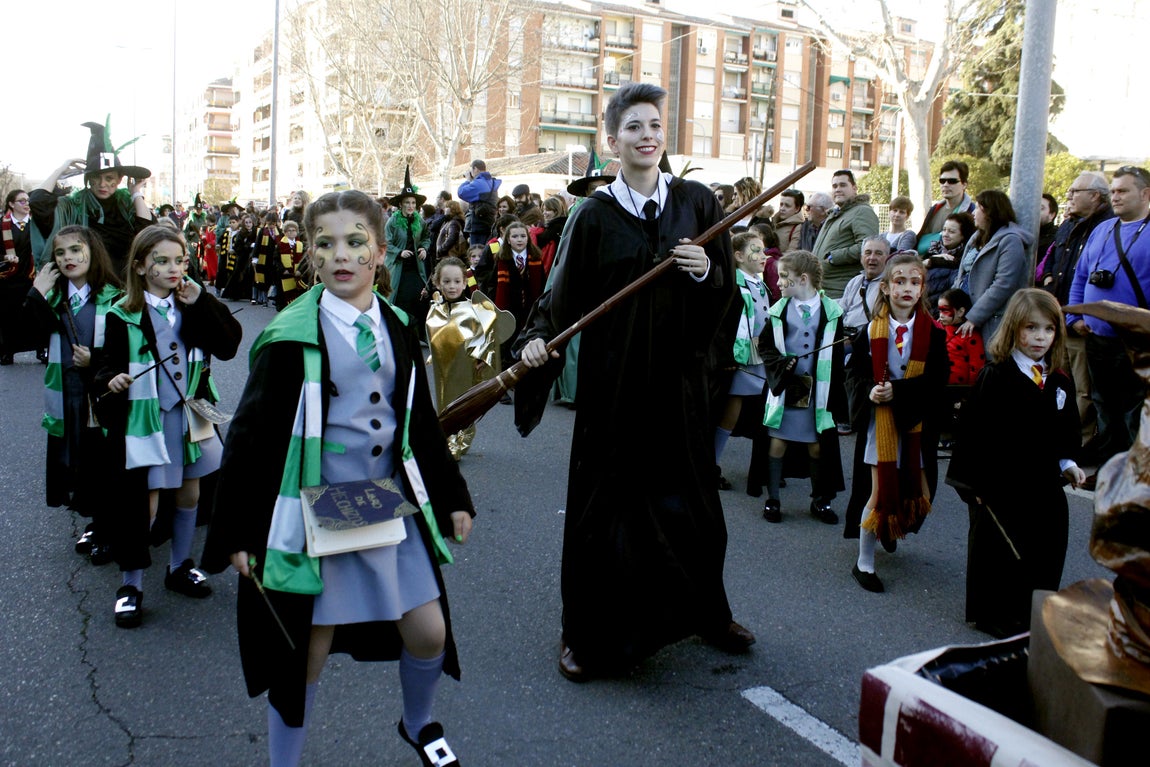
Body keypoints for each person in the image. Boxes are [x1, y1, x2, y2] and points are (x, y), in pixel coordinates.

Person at [202, 190, 474, 767]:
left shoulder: (400, 323)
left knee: (429, 632)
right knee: (306, 653)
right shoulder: (290, 335)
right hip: (313, 511)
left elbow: (419, 423)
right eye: (325, 244)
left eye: (356, 242)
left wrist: (452, 495)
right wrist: (238, 533)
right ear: (311, 257)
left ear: (380, 250)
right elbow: (252, 441)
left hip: (383, 501)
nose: (341, 255)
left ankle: (418, 723)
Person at [515, 82, 753, 681]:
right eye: (633, 127)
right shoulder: (593, 215)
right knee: (605, 512)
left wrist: (706, 274)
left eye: (654, 125)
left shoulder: (697, 204)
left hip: (678, 388)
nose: (647, 135)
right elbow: (560, 297)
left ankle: (706, 611)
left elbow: (725, 296)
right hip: (614, 388)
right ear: (611, 139)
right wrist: (537, 341)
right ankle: (583, 633)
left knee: (693, 507)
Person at [94, 225, 242, 629]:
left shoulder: (192, 302)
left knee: (190, 495)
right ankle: (131, 584)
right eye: (162, 260)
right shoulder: (121, 313)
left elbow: (229, 345)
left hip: (190, 414)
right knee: (144, 504)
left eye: (180, 260)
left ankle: (179, 566)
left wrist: (203, 301)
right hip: (147, 418)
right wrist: (110, 379)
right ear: (141, 266)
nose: (174, 268)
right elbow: (104, 363)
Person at [947, 289, 1085, 637]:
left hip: (1043, 483)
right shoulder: (997, 376)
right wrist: (973, 484)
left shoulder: (1058, 381)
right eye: (1030, 329)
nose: (1040, 338)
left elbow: (1067, 430)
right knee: (1002, 549)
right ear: (1013, 329)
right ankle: (995, 613)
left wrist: (1068, 462)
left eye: (1048, 330)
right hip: (1001, 485)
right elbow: (973, 432)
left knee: (1047, 545)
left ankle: (1033, 612)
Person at [846, 253, 949, 593]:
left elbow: (938, 380)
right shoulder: (870, 332)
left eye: (914, 282)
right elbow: (856, 374)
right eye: (900, 281)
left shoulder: (933, 334)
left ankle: (891, 529)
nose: (907, 288)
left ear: (922, 290)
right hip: (882, 423)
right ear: (886, 288)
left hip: (916, 421)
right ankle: (864, 561)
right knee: (878, 491)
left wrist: (900, 391)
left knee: (913, 487)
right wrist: (870, 393)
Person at [24, 226, 122, 562]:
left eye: (76, 250)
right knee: (78, 461)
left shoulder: (113, 296)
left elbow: (126, 350)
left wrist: (95, 360)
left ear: (92, 252)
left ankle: (108, 528)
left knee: (103, 460)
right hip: (67, 393)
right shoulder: (53, 296)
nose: (68, 258)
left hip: (100, 394)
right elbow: (29, 333)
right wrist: (37, 292)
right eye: (61, 252)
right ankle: (95, 523)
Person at [1067, 165, 1150, 469]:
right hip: (1097, 336)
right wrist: (1074, 317)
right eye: (1112, 191)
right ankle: (1110, 466)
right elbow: (1081, 276)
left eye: (1123, 191)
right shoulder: (1103, 229)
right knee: (1104, 405)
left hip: (1137, 341)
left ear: (1145, 193)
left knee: (1133, 412)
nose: (1114, 196)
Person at [757, 250, 847, 524]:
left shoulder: (831, 312)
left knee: (817, 446)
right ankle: (772, 499)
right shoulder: (778, 311)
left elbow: (838, 355)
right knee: (777, 440)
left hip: (818, 391)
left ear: (803, 278)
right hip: (786, 387)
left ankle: (820, 500)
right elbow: (766, 346)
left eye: (785, 277)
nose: (779, 282)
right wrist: (782, 364)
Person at [1038, 172, 1112, 454]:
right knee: (1060, 381)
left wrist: (1080, 316)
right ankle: (1057, 438)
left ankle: (1077, 444)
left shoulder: (1106, 226)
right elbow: (1054, 260)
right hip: (1061, 316)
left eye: (1074, 191)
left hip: (1082, 322)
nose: (1068, 196)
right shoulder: (1069, 225)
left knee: (1083, 389)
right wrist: (1046, 277)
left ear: (1095, 195)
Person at [29, 119, 155, 277]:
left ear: (119, 179)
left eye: (109, 178)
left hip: (126, 287)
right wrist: (59, 171)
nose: (103, 184)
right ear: (89, 179)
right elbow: (38, 202)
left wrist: (136, 192)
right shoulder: (73, 206)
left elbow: (147, 231)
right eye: (96, 177)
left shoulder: (126, 206)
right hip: (88, 288)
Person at [426, 256, 514, 459]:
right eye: (446, 282)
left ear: (465, 283)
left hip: (465, 368)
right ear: (438, 282)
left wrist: (482, 359)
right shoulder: (434, 310)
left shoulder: (471, 311)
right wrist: (433, 353)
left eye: (457, 281)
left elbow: (484, 336)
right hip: (443, 369)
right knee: (443, 402)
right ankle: (446, 438)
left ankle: (460, 441)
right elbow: (436, 335)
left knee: (463, 403)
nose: (451, 286)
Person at [714, 231, 770, 487]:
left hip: (761, 358)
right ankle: (710, 463)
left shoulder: (760, 283)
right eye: (755, 250)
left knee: (763, 414)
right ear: (737, 255)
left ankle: (765, 467)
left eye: (763, 250)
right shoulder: (735, 284)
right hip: (741, 358)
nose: (763, 255)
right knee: (729, 411)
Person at [952, 190, 1031, 355]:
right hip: (964, 314)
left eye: (978, 208)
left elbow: (1003, 284)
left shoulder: (1011, 241)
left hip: (991, 321)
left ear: (990, 212)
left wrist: (974, 316)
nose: (973, 212)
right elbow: (962, 275)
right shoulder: (977, 237)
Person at [811, 170, 880, 299]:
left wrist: (834, 257)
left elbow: (868, 248)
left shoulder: (862, 212)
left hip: (841, 291)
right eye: (834, 186)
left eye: (843, 185)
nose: (838, 189)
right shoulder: (836, 214)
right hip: (823, 289)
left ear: (854, 188)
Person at [385, 167, 432, 343]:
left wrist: (424, 249)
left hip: (416, 267)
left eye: (413, 203)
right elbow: (385, 242)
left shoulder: (420, 221)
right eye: (407, 203)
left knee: (420, 298)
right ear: (401, 204)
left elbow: (427, 237)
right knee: (400, 300)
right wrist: (399, 252)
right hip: (399, 268)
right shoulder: (393, 221)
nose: (411, 206)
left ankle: (419, 335)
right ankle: (401, 335)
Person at [1, 190, 39, 365]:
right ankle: (7, 351)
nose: (26, 204)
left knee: (35, 314)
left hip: (33, 276)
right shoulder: (3, 225)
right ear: (11, 204)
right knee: (9, 316)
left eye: (28, 201)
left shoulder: (37, 224)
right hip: (9, 278)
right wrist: (5, 258)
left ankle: (41, 349)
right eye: (21, 201)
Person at [916, 160, 977, 255]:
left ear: (964, 185)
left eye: (952, 181)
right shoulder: (935, 209)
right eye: (942, 181)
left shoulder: (972, 213)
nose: (946, 185)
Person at [923, 212, 976, 313]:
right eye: (944, 230)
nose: (945, 234)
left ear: (963, 235)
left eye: (951, 231)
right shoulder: (933, 250)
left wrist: (933, 261)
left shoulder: (966, 259)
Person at [457, 159, 501, 247]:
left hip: (478, 226)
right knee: (492, 248)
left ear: (475, 169)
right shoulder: (491, 181)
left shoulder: (478, 183)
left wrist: (468, 180)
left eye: (471, 170)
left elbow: (461, 192)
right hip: (491, 223)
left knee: (476, 251)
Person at [272, 220, 306, 311]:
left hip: (297, 274)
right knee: (283, 295)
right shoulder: (280, 245)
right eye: (288, 231)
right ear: (285, 232)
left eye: (293, 230)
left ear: (297, 232)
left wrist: (300, 270)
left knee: (297, 291)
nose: (291, 232)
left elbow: (304, 260)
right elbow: (276, 259)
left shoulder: (301, 245)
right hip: (284, 274)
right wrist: (283, 269)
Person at [772, 189, 805, 253]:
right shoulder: (774, 221)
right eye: (781, 204)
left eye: (787, 206)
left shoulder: (799, 227)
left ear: (797, 208)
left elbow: (791, 254)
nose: (782, 208)